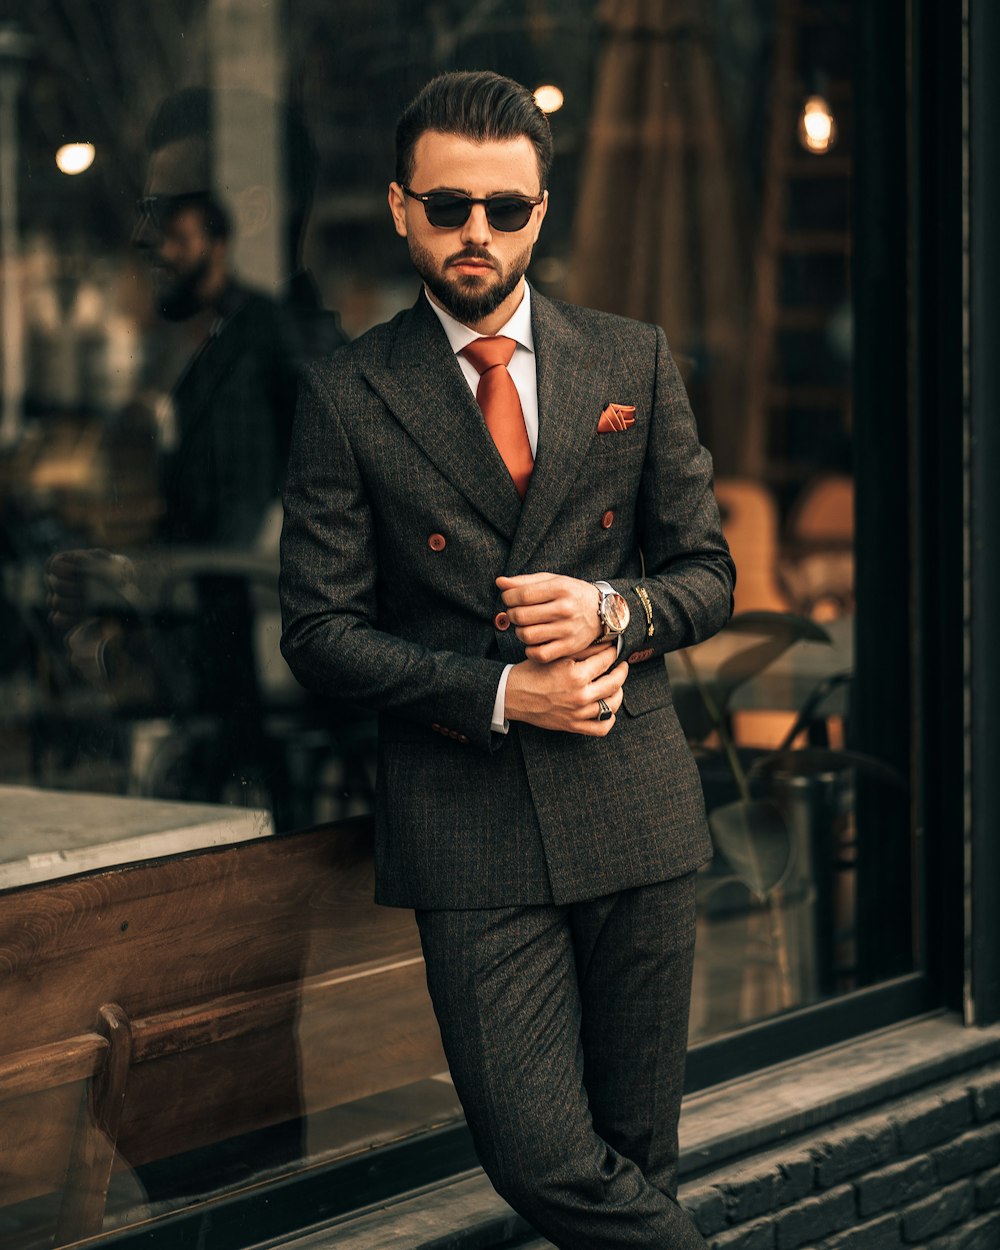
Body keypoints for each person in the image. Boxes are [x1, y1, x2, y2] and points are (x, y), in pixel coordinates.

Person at [279, 71, 735, 1249]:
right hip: (469, 824)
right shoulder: (346, 392)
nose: (475, 230)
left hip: (634, 805)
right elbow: (317, 632)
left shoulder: (629, 360)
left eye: (504, 206)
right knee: (543, 1161)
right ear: (398, 208)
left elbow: (707, 573)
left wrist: (612, 611)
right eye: (446, 205)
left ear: (543, 208)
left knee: (636, 1158)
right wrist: (498, 689)